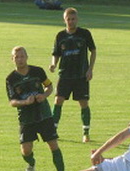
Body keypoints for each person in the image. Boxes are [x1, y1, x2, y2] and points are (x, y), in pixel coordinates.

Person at [7, 46, 65, 171]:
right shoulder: (11, 79)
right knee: (26, 151)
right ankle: (31, 164)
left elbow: (49, 86)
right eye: (17, 57)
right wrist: (25, 102)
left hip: (43, 114)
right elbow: (12, 101)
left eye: (22, 56)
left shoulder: (38, 71)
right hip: (26, 118)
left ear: (27, 57)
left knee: (53, 145)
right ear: (12, 59)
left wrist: (44, 95)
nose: (20, 59)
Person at [50, 7, 97, 143]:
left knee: (83, 103)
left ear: (77, 19)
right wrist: (53, 64)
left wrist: (90, 69)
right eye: (68, 19)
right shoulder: (60, 36)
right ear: (64, 20)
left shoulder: (85, 34)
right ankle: (53, 131)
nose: (70, 21)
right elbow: (56, 54)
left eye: (73, 19)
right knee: (58, 100)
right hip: (64, 75)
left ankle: (86, 133)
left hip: (81, 75)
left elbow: (93, 51)